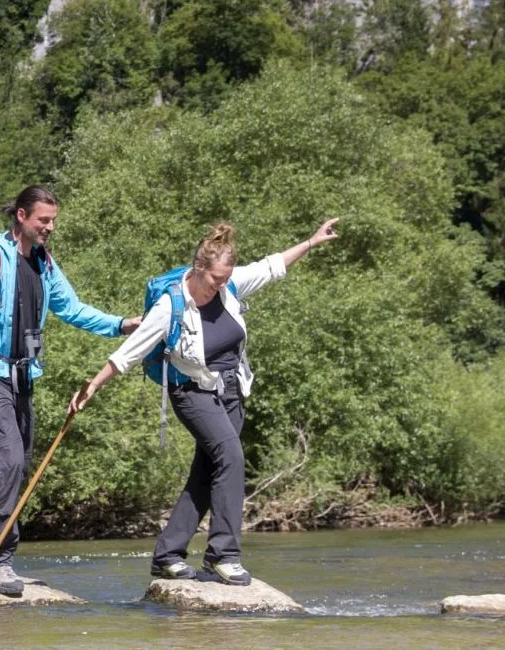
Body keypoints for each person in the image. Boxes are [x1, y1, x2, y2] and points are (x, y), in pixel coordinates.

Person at [68, 217, 340, 586]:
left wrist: (311, 241)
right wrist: (92, 386)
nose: (221, 285)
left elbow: (271, 267)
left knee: (206, 472)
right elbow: (128, 353)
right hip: (193, 392)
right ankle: (223, 556)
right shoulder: (171, 305)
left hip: (231, 390)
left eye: (226, 278)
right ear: (199, 268)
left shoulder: (229, 285)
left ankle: (167, 556)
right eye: (216, 279)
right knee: (231, 458)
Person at [0, 185, 140, 596]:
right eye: (43, 220)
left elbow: (72, 309)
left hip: (23, 377)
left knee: (11, 468)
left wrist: (121, 325)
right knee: (9, 462)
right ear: (21, 216)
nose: (50, 227)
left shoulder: (44, 263)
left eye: (53, 221)